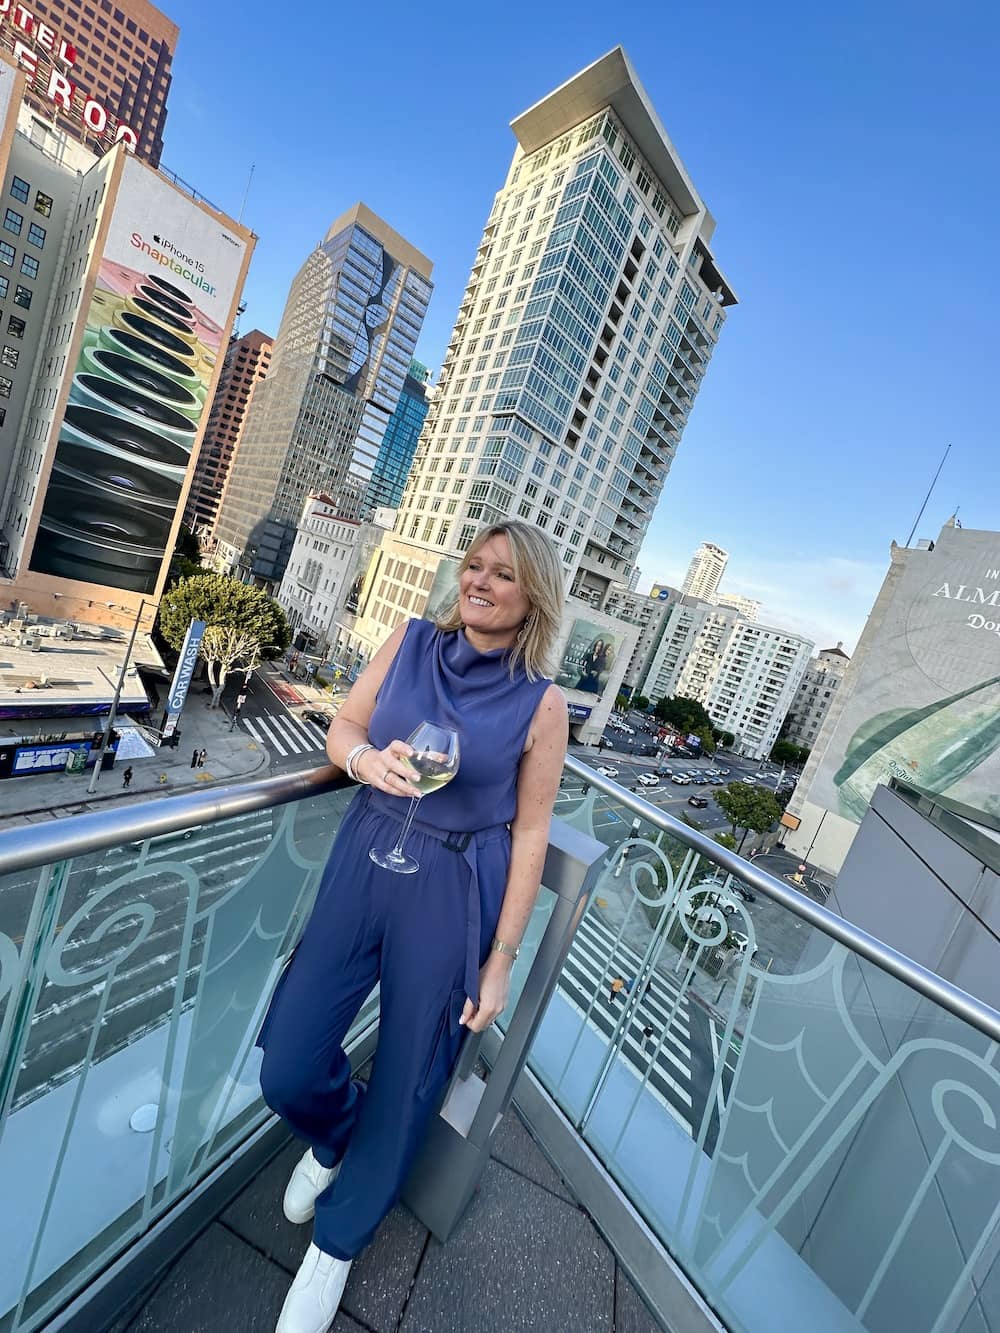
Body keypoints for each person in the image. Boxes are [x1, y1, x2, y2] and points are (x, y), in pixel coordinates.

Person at [258, 521, 567, 1333]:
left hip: (456, 881)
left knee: (409, 1072)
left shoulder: (543, 704)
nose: (480, 581)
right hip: (369, 844)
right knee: (289, 1059)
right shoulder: (409, 640)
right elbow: (345, 726)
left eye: (503, 573)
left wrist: (502, 959)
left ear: (534, 596)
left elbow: (531, 833)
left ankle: (337, 1243)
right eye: (475, 565)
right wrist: (365, 761)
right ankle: (334, 1132)